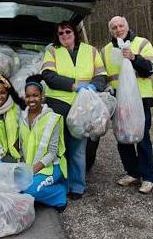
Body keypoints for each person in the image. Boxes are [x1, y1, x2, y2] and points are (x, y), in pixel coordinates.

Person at [41, 21, 107, 199]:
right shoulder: (52, 51)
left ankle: (77, 186)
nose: (64, 35)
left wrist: (94, 86)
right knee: (58, 148)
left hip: (83, 106)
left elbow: (101, 75)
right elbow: (48, 76)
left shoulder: (91, 50)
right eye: (60, 33)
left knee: (78, 147)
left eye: (67, 31)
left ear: (75, 33)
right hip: (59, 104)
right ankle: (59, 183)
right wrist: (73, 86)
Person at [101, 16, 153, 194]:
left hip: (140, 100)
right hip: (118, 100)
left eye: (121, 25)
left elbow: (151, 68)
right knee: (122, 138)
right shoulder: (106, 50)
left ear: (127, 26)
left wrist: (134, 58)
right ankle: (132, 173)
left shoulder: (142, 43)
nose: (118, 29)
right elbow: (103, 75)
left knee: (142, 138)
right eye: (114, 27)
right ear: (111, 31)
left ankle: (148, 177)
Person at [19, 75, 68, 212]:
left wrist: (33, 171)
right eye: (28, 96)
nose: (31, 100)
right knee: (15, 190)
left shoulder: (53, 118)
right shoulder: (21, 118)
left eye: (35, 95)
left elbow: (52, 153)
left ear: (42, 96)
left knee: (30, 192)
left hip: (50, 167)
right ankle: (38, 189)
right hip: (29, 166)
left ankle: (59, 194)